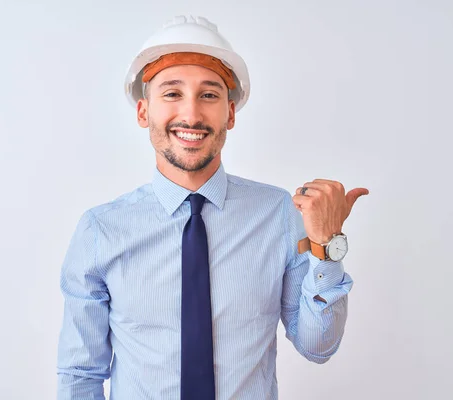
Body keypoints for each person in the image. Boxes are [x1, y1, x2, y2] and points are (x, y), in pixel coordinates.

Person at [56, 15, 369, 400]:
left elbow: (317, 346)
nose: (191, 115)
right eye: (172, 93)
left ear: (230, 114)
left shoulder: (278, 215)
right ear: (143, 112)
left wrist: (327, 247)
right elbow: (79, 375)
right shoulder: (100, 230)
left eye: (209, 95)